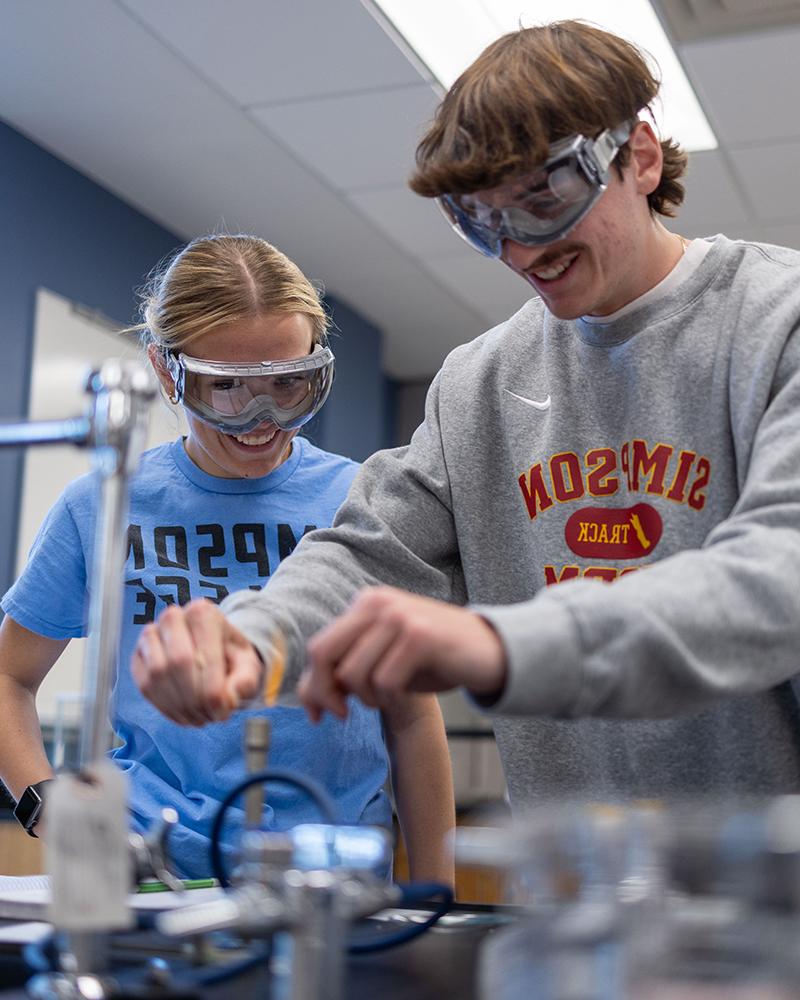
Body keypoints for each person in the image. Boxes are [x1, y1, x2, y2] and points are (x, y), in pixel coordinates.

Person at [131, 21, 800, 810]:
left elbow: (775, 576)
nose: (520, 252)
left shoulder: (775, 319)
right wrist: (249, 633)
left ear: (641, 156)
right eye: (482, 223)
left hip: (769, 891)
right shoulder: (479, 382)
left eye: (544, 200)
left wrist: (496, 643)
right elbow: (367, 555)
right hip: (571, 889)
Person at [0, 234, 455, 882]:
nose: (264, 418)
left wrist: (437, 898)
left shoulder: (362, 499)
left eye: (291, 385)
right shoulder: (104, 503)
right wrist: (46, 805)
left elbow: (410, 717)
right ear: (166, 372)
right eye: (230, 391)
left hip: (330, 881)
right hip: (149, 871)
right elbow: (8, 679)